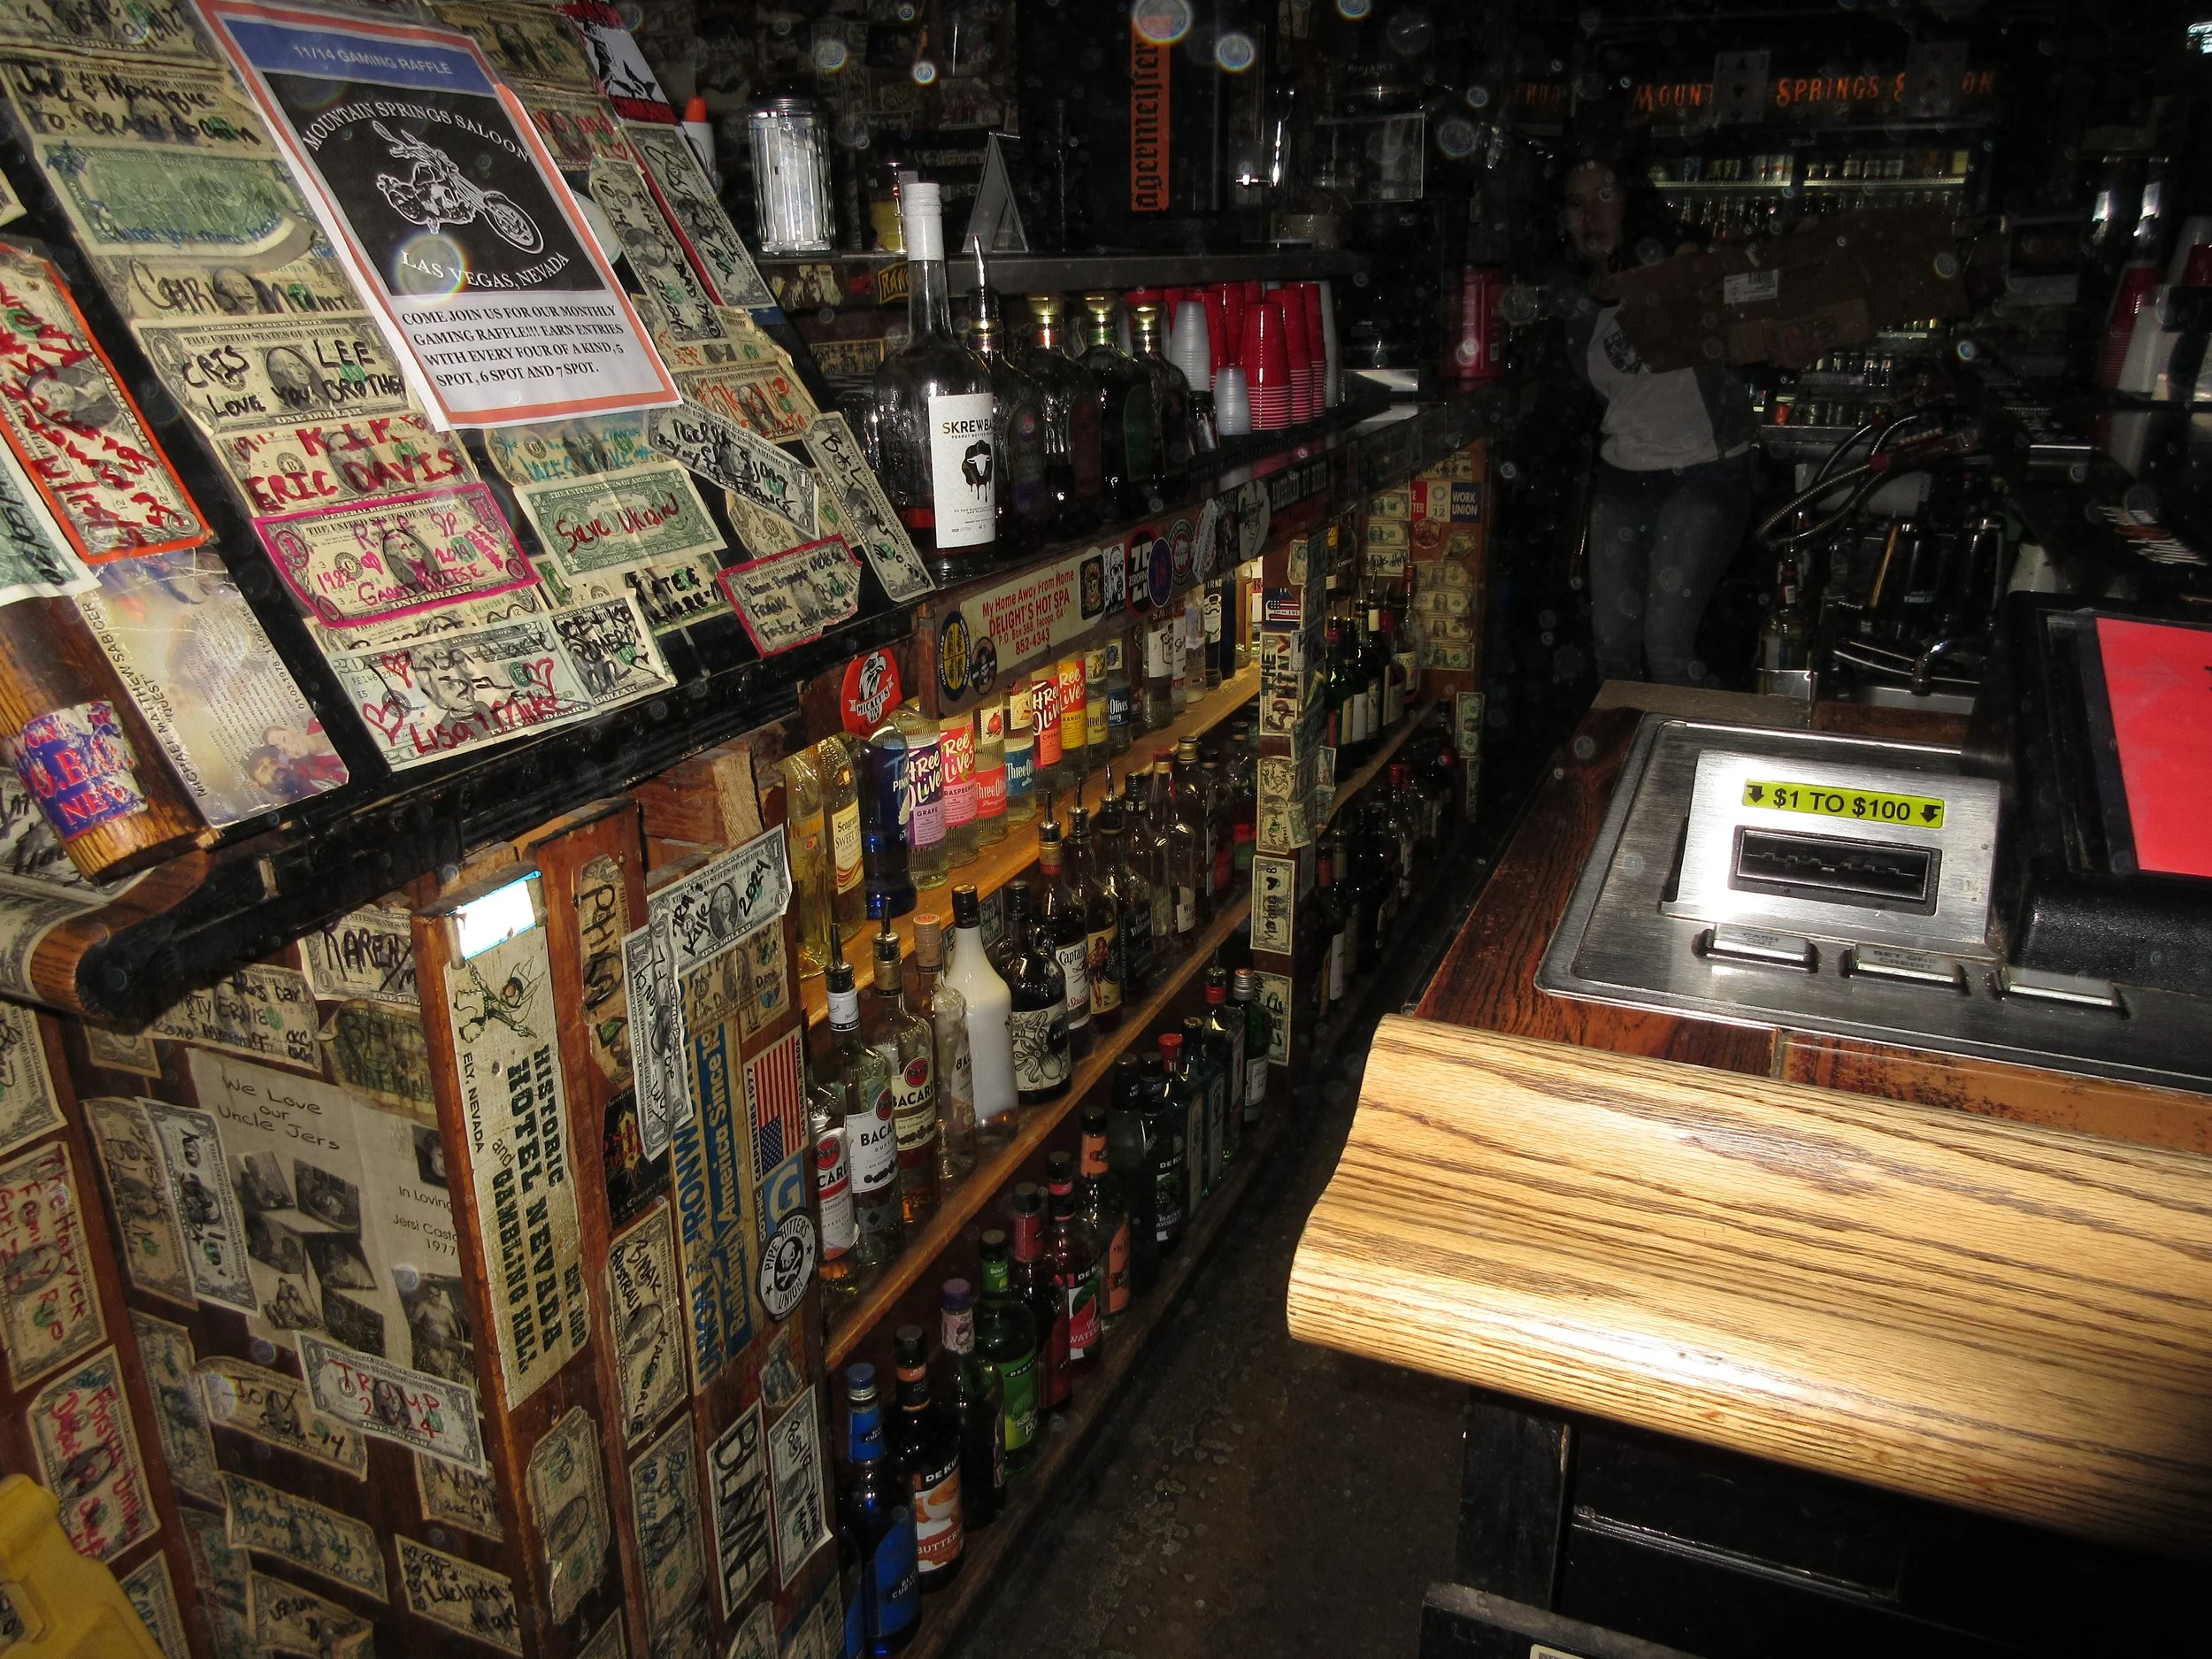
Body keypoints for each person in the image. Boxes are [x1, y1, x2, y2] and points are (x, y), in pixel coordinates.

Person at [1561, 158, 1755, 686]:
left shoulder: (1682, 269)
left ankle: (1684, 765)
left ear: (1632, 201)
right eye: (1577, 203)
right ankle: (1623, 765)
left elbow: (1756, 326)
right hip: (1624, 476)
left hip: (1704, 473)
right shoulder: (1579, 306)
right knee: (1612, 649)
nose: (1590, 214)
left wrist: (1789, 346)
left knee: (1666, 646)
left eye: (1603, 194)